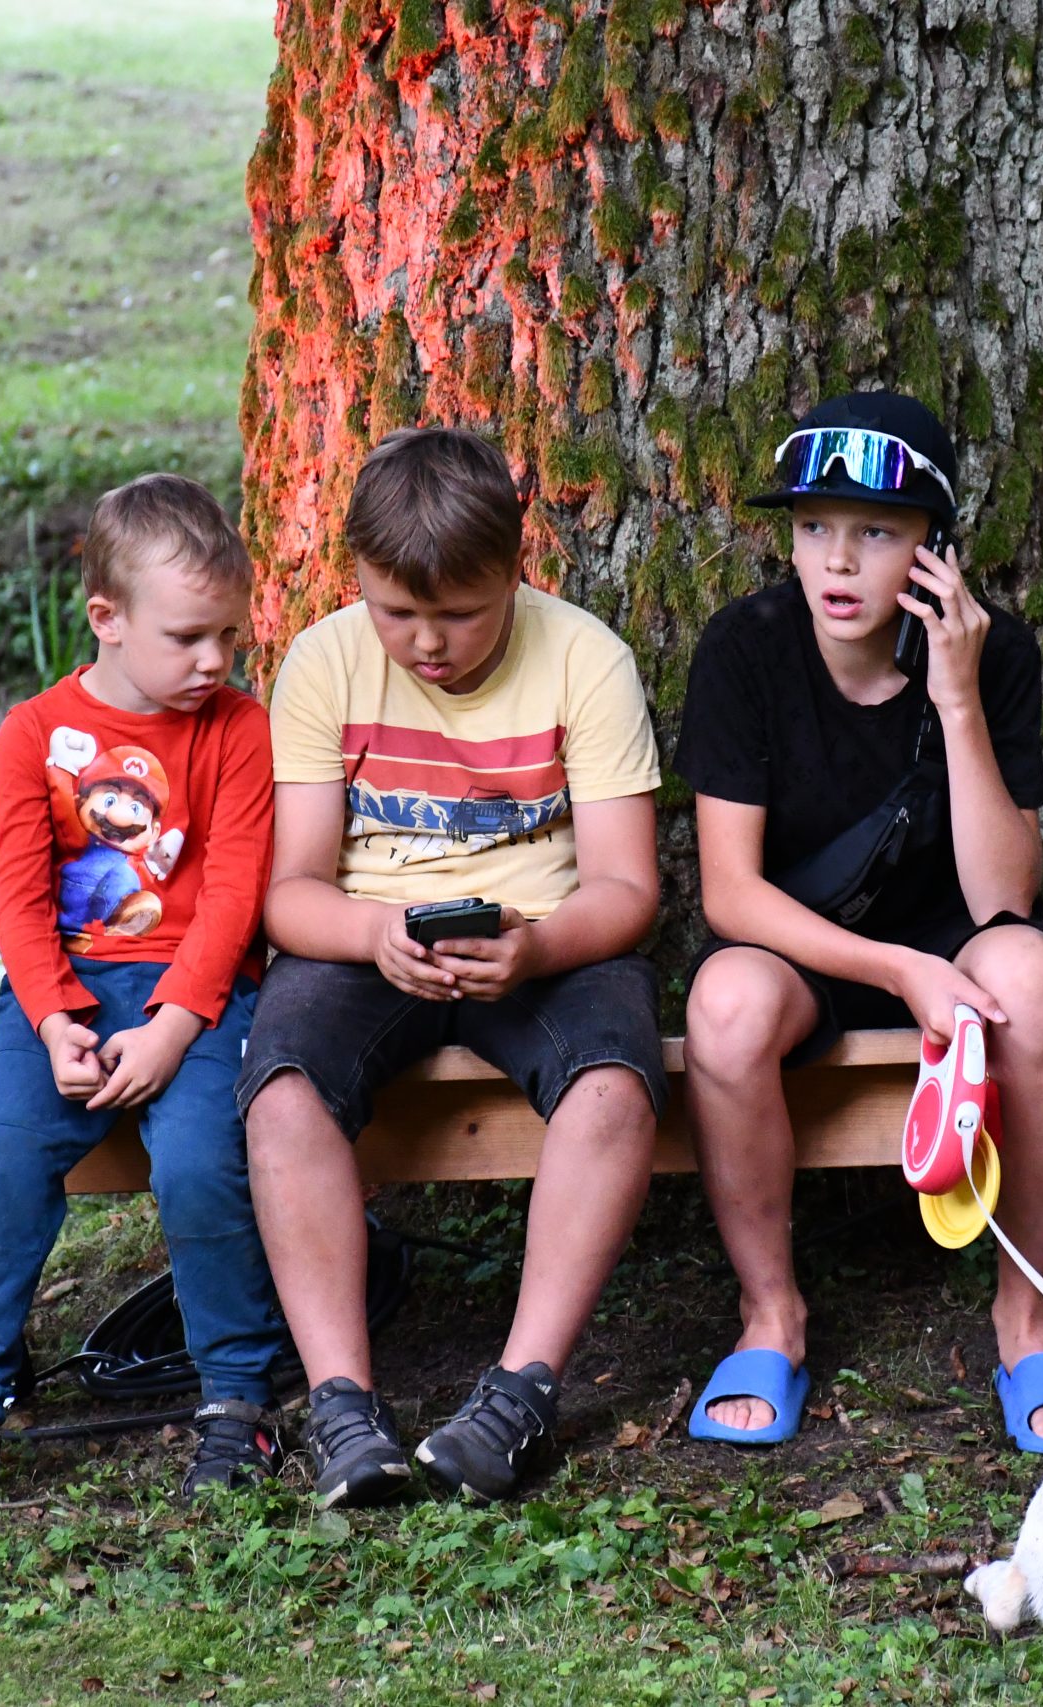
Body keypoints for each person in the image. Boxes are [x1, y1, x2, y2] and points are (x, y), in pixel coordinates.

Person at [237, 426, 666, 1508]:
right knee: (281, 1092)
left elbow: (626, 888)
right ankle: (342, 1405)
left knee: (614, 1087)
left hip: (547, 939)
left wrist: (536, 946)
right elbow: (290, 893)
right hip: (367, 938)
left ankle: (521, 1393)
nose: (426, 644)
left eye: (461, 615)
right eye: (396, 612)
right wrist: (370, 934)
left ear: (518, 569)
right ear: (358, 577)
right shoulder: (325, 662)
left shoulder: (585, 659)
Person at [671, 392, 1043, 1455]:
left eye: (875, 531)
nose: (838, 559)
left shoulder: (995, 655)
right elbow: (730, 894)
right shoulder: (746, 648)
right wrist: (896, 969)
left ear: (932, 549)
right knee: (723, 1003)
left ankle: (1027, 1315)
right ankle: (770, 1315)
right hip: (806, 951)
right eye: (814, 526)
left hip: (963, 951)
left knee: (1032, 976)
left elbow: (1003, 897)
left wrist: (956, 697)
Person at [0, 473, 283, 1509]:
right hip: (59, 996)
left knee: (200, 1165)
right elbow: (17, 895)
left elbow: (236, 892)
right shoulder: (34, 733)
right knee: (4, 1162)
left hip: (197, 1000)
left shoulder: (239, 730)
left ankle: (237, 1401)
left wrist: (173, 1029)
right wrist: (56, 1020)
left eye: (229, 636)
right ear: (107, 618)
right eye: (188, 637)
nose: (215, 660)